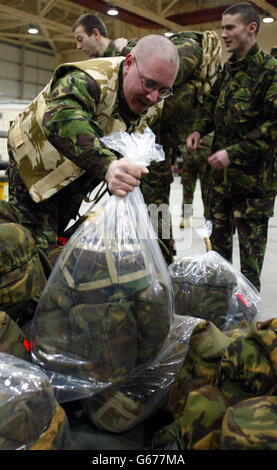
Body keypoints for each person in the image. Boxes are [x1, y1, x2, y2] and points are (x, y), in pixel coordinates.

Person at [7, 35, 179, 268]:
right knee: (35, 252)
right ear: (128, 63)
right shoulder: (88, 80)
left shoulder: (154, 102)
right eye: (148, 84)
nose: (153, 97)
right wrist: (109, 167)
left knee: (60, 241)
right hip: (34, 163)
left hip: (78, 168)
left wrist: (160, 237)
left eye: (163, 90)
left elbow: (142, 154)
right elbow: (61, 117)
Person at [187, 2, 277, 291]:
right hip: (221, 187)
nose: (223, 34)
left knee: (249, 269)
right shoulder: (228, 70)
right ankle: (219, 321)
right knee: (217, 260)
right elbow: (212, 103)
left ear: (251, 28)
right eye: (222, 27)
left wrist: (232, 153)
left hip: (253, 189)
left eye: (230, 27)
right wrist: (200, 128)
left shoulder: (270, 72)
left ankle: (246, 325)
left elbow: (272, 128)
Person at [179, 133, 213, 228]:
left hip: (207, 157)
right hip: (189, 155)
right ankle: (186, 217)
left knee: (207, 190)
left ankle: (209, 219)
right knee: (187, 189)